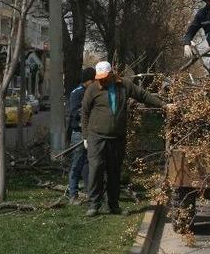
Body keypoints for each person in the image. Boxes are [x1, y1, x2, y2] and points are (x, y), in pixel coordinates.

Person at [81, 61, 174, 217]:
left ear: (111, 74)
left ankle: (113, 205)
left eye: (104, 77)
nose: (101, 80)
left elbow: (143, 95)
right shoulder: (92, 89)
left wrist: (164, 105)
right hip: (96, 137)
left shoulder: (124, 85)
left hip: (117, 138)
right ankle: (93, 205)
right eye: (99, 78)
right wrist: (85, 136)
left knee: (114, 171)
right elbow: (85, 113)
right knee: (95, 169)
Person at [67, 67, 96, 204]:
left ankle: (90, 192)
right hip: (79, 134)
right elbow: (75, 113)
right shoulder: (77, 93)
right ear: (87, 81)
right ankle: (73, 194)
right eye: (93, 80)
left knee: (88, 164)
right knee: (77, 163)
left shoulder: (93, 91)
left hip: (91, 133)